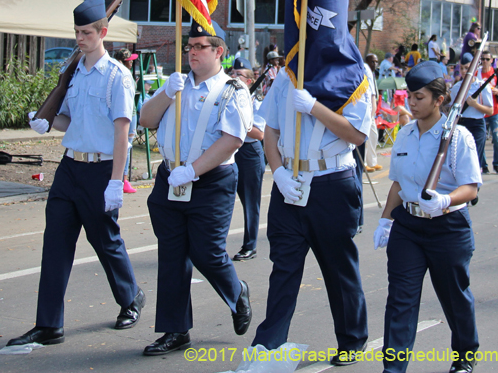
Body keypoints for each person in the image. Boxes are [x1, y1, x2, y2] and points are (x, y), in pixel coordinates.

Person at [7, 0, 144, 348]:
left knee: (105, 242)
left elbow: (122, 132)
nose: (80, 39)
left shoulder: (117, 77)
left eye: (86, 33)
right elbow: (70, 120)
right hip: (70, 168)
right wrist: (45, 120)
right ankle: (49, 324)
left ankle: (130, 299)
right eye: (77, 33)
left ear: (103, 32)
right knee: (55, 244)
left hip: (100, 170)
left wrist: (116, 181)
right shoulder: (74, 74)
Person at [139, 22, 252, 356]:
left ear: (218, 51)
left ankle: (236, 291)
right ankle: (176, 330)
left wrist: (193, 170)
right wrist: (164, 92)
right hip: (171, 180)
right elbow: (146, 119)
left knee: (207, 252)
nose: (192, 52)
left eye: (200, 47)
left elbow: (232, 139)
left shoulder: (233, 90)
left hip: (210, 181)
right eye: (189, 47)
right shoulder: (175, 84)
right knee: (172, 255)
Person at [251, 66, 372, 366]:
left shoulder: (353, 74)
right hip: (289, 181)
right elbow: (272, 130)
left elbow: (357, 135)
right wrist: (277, 171)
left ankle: (351, 339)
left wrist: (315, 107)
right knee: (283, 268)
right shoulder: (285, 75)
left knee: (338, 267)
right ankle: (268, 345)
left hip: (331, 180)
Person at [374, 61, 482, 373]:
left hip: (448, 226)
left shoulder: (458, 136)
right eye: (410, 96)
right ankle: (393, 368)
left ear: (439, 99)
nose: (412, 102)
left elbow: (471, 188)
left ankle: (465, 355)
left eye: (419, 97)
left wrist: (446, 199)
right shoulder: (405, 134)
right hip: (408, 226)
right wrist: (385, 220)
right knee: (400, 301)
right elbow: (398, 182)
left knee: (454, 297)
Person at [230, 57, 266, 261]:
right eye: (232, 74)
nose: (234, 77)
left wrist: (238, 120)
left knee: (250, 202)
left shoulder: (257, 103)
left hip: (248, 153)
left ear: (250, 81)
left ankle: (250, 245)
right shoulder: (225, 97)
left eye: (239, 75)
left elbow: (259, 133)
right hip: (227, 152)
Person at [451, 53, 493, 178]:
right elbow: (454, 110)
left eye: (467, 68)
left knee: (476, 157)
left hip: (477, 124)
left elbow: (490, 110)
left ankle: (474, 185)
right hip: (462, 123)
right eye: (462, 68)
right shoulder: (456, 87)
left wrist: (475, 105)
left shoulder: (482, 86)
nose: (464, 71)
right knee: (461, 156)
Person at [113, 48, 140, 194]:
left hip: (122, 114)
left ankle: (120, 178)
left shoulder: (114, 74)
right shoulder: (125, 76)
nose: (132, 63)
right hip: (130, 114)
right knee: (126, 146)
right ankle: (123, 179)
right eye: (130, 61)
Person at [480, 53, 498, 174]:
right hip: (481, 111)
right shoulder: (477, 73)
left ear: (491, 60)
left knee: (496, 138)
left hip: (495, 110)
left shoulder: (496, 72)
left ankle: (497, 163)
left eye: (487, 59)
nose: (485, 61)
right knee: (481, 140)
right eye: (483, 59)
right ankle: (484, 165)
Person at [364, 54, 382, 173]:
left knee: (373, 135)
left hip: (372, 107)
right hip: (366, 107)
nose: (374, 64)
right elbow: (370, 92)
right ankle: (364, 163)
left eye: (376, 62)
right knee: (365, 136)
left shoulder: (372, 73)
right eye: (372, 61)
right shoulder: (365, 69)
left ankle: (372, 162)